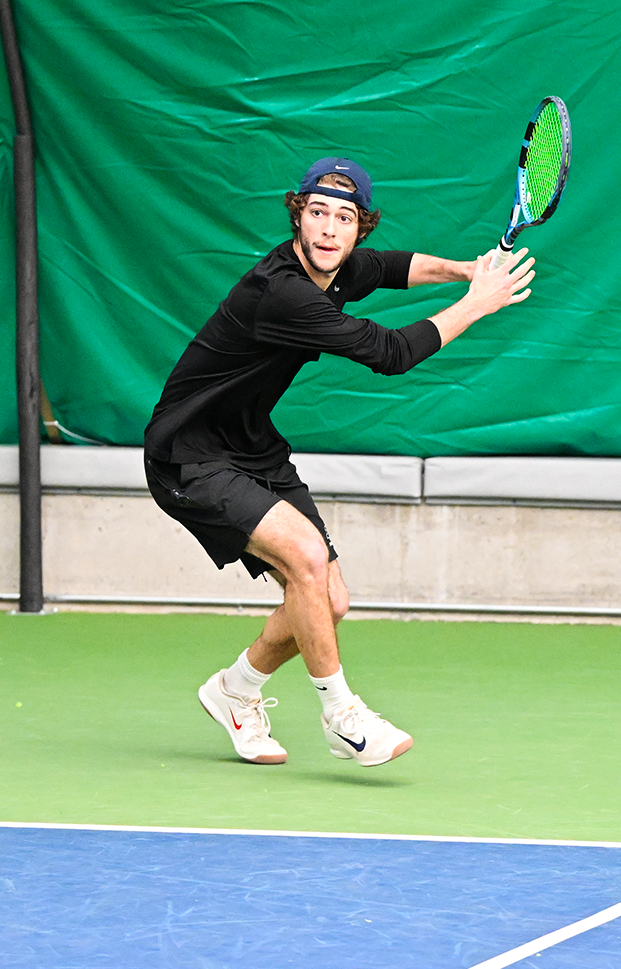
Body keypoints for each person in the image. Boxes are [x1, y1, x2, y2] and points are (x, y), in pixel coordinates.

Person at [145, 156, 536, 767]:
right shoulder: (283, 293)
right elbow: (390, 353)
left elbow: (396, 268)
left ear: (359, 227)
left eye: (344, 218)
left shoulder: (338, 266)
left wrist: (464, 270)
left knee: (328, 601)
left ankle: (235, 691)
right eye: (318, 213)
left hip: (250, 445)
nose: (329, 229)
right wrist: (478, 303)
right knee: (304, 557)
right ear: (298, 216)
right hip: (189, 452)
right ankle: (343, 716)